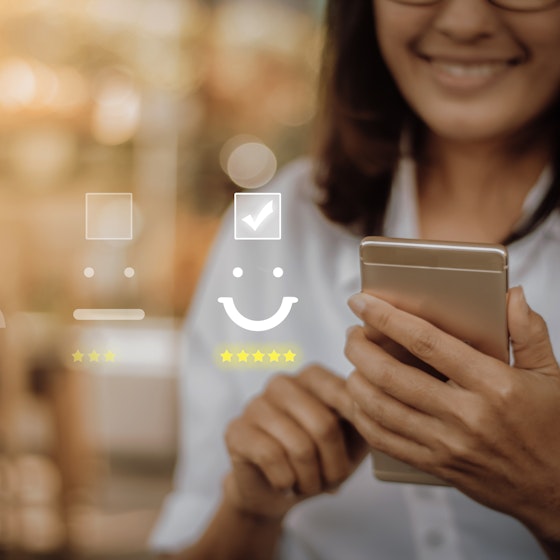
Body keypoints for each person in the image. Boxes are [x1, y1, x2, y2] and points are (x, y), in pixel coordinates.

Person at [150, 0, 560, 558]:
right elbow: (187, 533)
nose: (466, 22)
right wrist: (248, 510)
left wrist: (549, 492)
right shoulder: (270, 227)